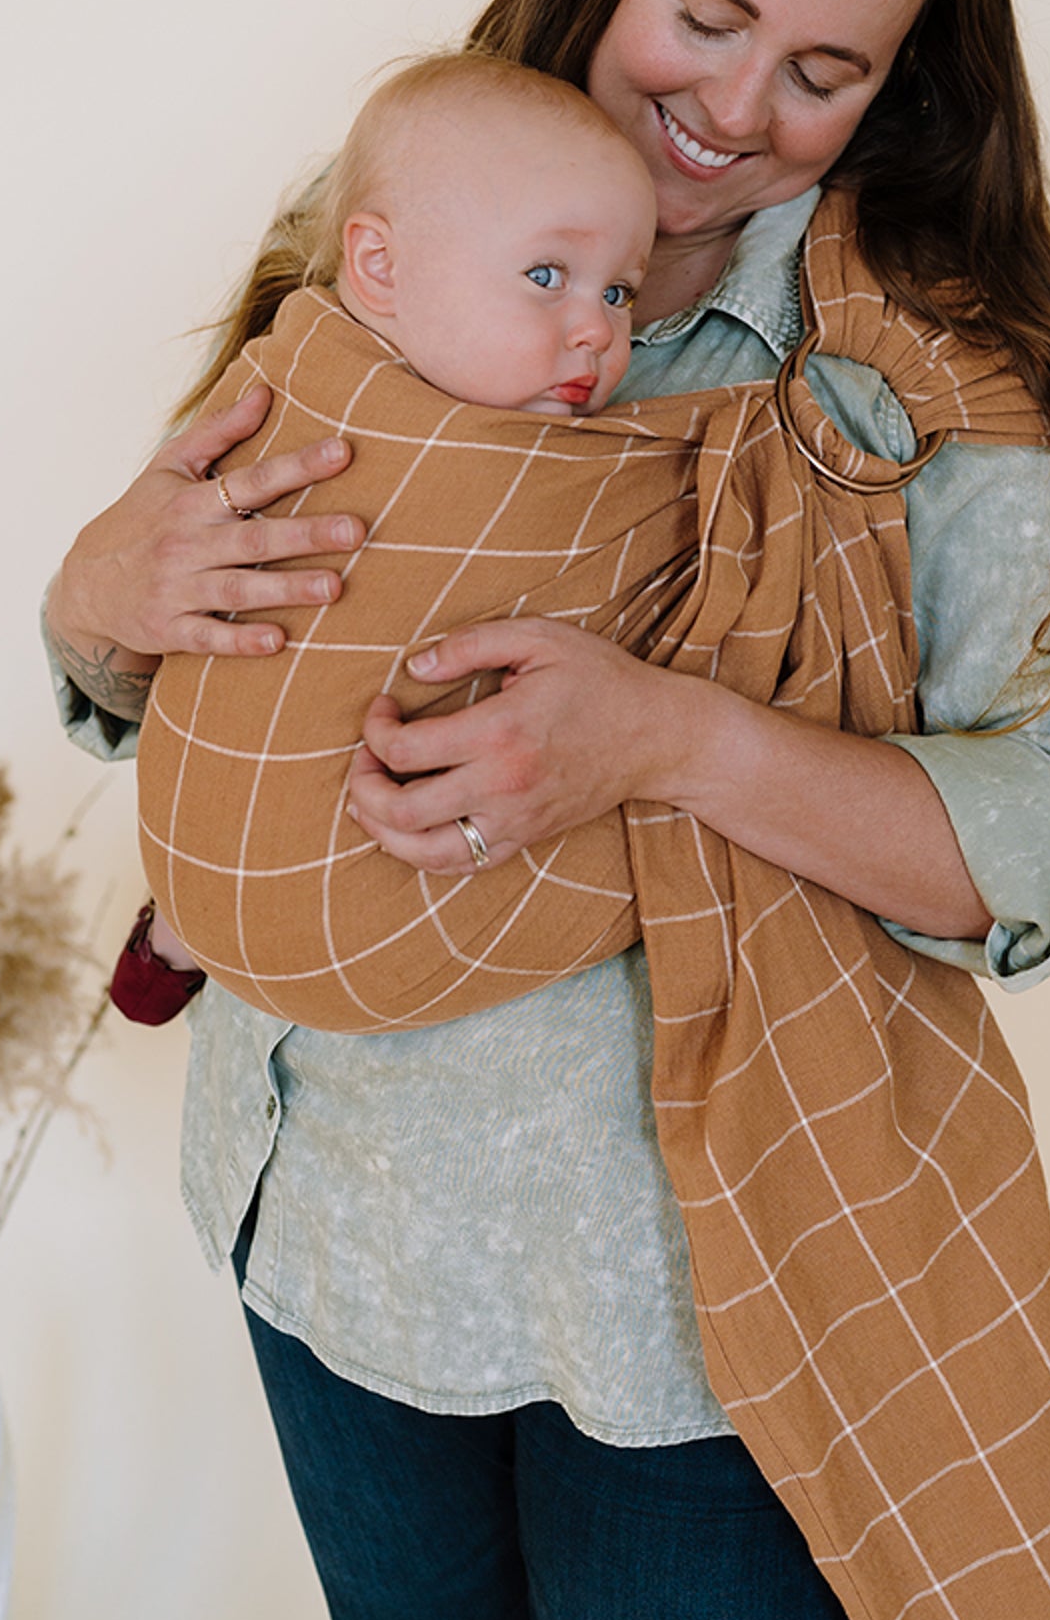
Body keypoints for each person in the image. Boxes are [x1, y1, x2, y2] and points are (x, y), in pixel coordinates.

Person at [47, 0, 1050, 1620]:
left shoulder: (933, 391)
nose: (734, 107)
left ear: (903, 90)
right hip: (325, 1231)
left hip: (693, 1328)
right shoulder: (411, 212)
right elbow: (206, 654)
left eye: (823, 71)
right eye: (708, 15)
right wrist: (94, 596)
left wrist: (672, 739)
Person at [126, 50, 655, 989]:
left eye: (619, 292)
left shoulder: (581, 464)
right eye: (547, 275)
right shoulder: (292, 390)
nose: (597, 330)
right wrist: (94, 596)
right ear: (379, 267)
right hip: (217, 830)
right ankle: (182, 927)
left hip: (382, 907)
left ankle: (186, 934)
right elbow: (150, 605)